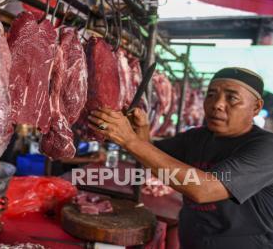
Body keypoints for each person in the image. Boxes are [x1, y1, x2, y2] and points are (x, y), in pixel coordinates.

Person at [88, 67, 273, 248]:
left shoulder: (266, 147)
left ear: (256, 107)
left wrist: (130, 140)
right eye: (211, 95)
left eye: (231, 98)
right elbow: (152, 157)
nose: (217, 104)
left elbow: (205, 190)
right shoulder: (197, 137)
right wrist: (141, 131)